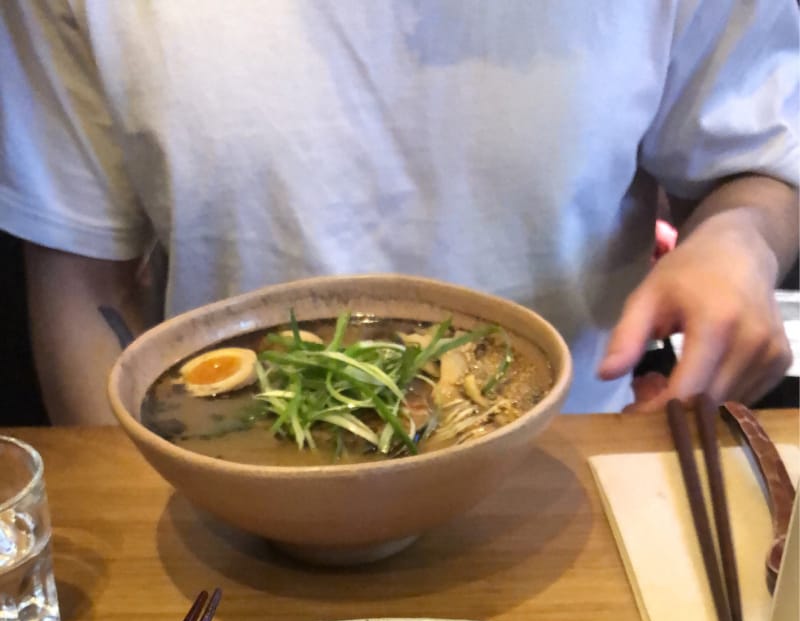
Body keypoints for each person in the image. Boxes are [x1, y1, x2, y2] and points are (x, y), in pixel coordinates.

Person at [0, 1, 797, 423]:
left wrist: (740, 240)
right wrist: (145, 513)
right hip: (231, 508)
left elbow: (757, 166)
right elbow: (79, 276)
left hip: (574, 484)